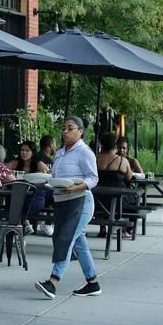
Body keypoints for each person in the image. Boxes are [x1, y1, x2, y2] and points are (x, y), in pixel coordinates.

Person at [35, 116, 101, 299]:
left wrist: (76, 187)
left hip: (81, 201)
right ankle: (93, 282)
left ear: (80, 131)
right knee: (78, 242)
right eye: (63, 128)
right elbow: (54, 176)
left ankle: (53, 281)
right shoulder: (60, 153)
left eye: (70, 128)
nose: (65, 131)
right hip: (63, 201)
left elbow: (93, 178)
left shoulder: (84, 152)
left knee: (67, 238)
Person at [96, 132, 134, 237]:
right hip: (118, 202)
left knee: (102, 197)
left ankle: (102, 227)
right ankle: (126, 229)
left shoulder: (95, 159)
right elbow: (130, 179)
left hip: (97, 202)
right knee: (135, 199)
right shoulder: (122, 161)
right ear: (115, 146)